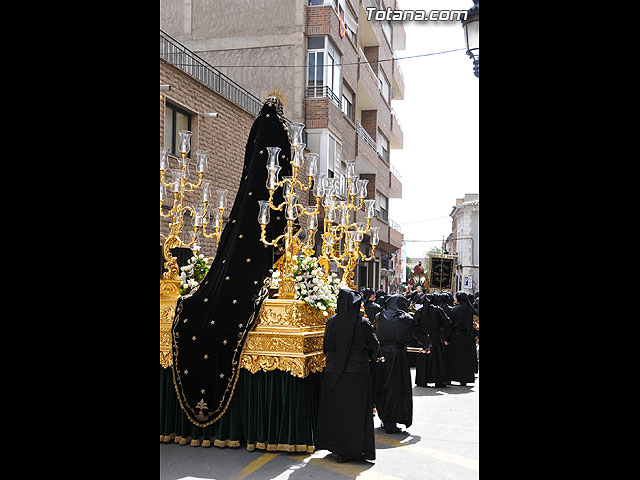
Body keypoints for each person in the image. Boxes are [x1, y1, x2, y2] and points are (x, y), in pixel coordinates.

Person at [316, 288, 380, 463]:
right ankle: (355, 449)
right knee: (356, 412)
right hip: (357, 375)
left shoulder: (331, 322)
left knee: (337, 410)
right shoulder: (363, 323)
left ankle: (338, 448)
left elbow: (326, 346)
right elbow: (374, 345)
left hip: (334, 373)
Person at [373, 294, 426, 434]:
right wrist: (427, 345)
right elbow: (418, 334)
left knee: (382, 386)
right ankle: (392, 421)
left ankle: (385, 417)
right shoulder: (406, 319)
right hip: (398, 356)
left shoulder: (379, 316)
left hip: (382, 355)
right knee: (396, 387)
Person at [414, 293, 452, 388]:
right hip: (435, 339)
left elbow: (414, 325)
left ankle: (422, 380)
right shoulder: (438, 311)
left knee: (423, 362)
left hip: (423, 341)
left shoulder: (420, 311)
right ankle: (438, 380)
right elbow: (447, 323)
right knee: (437, 361)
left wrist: (419, 337)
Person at [444, 291, 477, 386]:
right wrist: (476, 335)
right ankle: (465, 379)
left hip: (456, 338)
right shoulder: (471, 310)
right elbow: (476, 324)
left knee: (454, 358)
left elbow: (450, 325)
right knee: (466, 359)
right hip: (469, 338)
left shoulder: (455, 309)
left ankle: (451, 377)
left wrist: (447, 338)